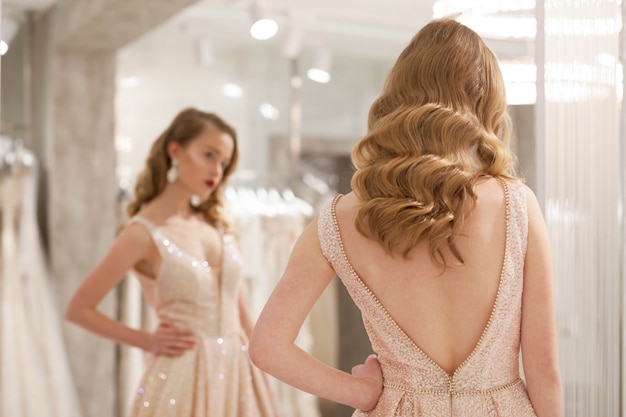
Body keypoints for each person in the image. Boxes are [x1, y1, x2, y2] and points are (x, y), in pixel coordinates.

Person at [249, 19, 563, 417]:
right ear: (485, 103)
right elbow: (545, 370)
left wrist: (361, 394)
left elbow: (266, 348)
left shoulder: (337, 219)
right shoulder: (515, 204)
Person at [66, 108, 278, 417]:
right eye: (209, 155)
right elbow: (78, 309)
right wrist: (148, 340)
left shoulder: (216, 224)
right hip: (183, 376)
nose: (216, 170)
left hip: (239, 372)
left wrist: (267, 374)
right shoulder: (143, 232)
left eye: (223, 163)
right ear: (175, 150)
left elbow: (243, 315)